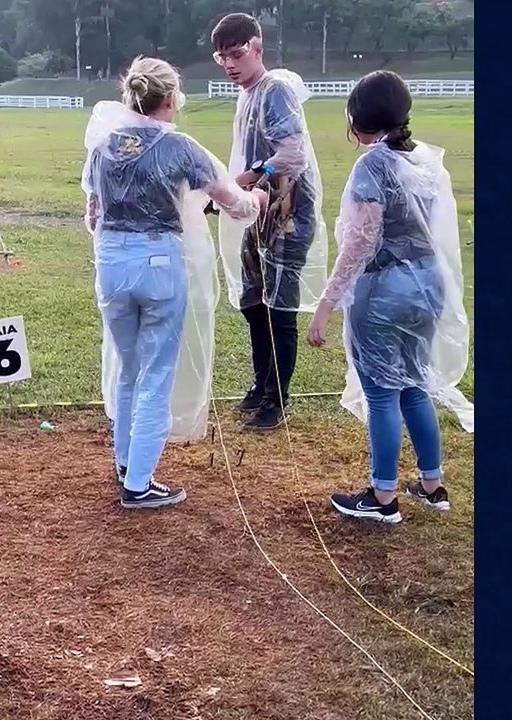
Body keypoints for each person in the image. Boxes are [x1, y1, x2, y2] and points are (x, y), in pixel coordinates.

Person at [82, 56, 268, 509]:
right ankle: (139, 481)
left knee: (127, 368)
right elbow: (233, 203)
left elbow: (92, 214)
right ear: (169, 99)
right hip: (160, 261)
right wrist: (258, 198)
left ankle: (126, 462)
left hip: (111, 261)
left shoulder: (103, 145)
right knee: (156, 373)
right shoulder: (182, 147)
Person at [306, 71, 474, 524]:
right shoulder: (424, 161)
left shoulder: (373, 165)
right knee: (415, 383)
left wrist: (326, 304)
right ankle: (432, 485)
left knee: (382, 393)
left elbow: (361, 240)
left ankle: (382, 498)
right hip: (427, 283)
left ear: (358, 117)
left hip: (385, 289)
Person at [209, 12, 329, 431]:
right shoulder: (247, 93)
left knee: (280, 308)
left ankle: (277, 400)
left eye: (237, 54)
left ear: (258, 49)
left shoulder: (274, 90)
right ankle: (261, 384)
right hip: (260, 212)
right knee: (253, 302)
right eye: (221, 56)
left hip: (289, 215)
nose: (228, 64)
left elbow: (292, 155)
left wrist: (242, 180)